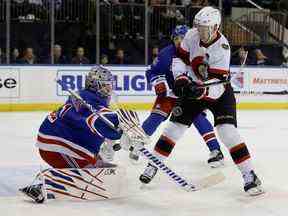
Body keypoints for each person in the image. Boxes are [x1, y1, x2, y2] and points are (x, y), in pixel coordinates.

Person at [140, 7, 264, 196]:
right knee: (173, 128)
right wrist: (181, 78)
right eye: (198, 26)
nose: (200, 31)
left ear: (215, 27)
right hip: (194, 88)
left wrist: (196, 90)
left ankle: (249, 175)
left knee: (227, 132)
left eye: (205, 28)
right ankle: (153, 164)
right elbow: (179, 59)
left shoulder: (222, 47)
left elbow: (216, 86)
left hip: (219, 93)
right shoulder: (191, 35)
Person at [19, 66, 138, 203]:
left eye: (110, 85)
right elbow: (98, 121)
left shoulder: (88, 96)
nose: (109, 89)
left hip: (63, 141)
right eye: (105, 85)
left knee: (100, 169)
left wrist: (122, 133)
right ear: (95, 85)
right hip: (59, 145)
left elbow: (101, 123)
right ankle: (44, 185)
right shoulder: (87, 100)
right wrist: (119, 134)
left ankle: (63, 175)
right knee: (90, 178)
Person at [136, 25, 224, 171]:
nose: (178, 41)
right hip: (170, 93)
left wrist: (205, 80)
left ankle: (216, 150)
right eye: (176, 38)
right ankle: (137, 143)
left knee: (199, 119)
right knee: (156, 117)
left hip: (190, 94)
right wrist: (158, 82)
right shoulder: (166, 54)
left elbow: (209, 73)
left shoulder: (199, 52)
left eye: (182, 38)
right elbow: (151, 71)